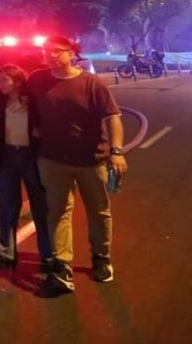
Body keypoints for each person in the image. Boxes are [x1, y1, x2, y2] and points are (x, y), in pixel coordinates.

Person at [28, 36, 127, 293]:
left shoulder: (91, 83)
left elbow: (113, 117)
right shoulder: (37, 80)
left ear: (71, 53)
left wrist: (117, 152)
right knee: (58, 211)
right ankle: (62, 265)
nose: (50, 55)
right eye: (47, 51)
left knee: (98, 211)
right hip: (52, 159)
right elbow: (18, 99)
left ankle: (101, 258)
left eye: (57, 51)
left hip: (91, 160)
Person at [0, 64, 53, 273]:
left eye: (5, 79)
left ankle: (48, 253)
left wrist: (41, 133)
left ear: (19, 81)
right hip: (6, 157)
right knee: (7, 206)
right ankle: (6, 250)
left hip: (32, 157)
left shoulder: (34, 101)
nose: (0, 83)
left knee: (41, 206)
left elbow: (48, 122)